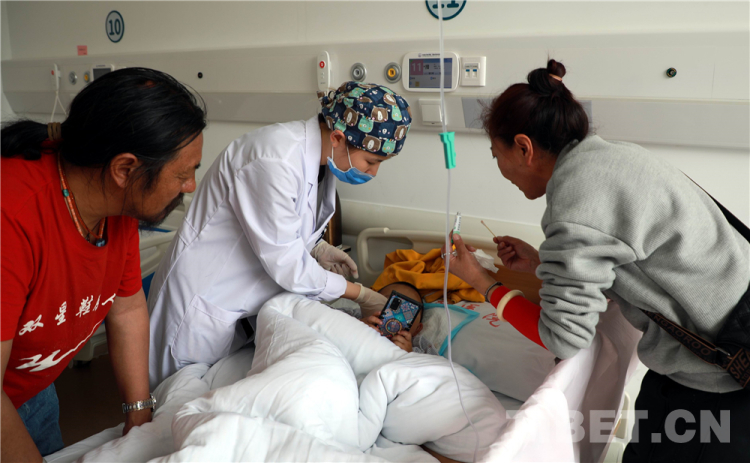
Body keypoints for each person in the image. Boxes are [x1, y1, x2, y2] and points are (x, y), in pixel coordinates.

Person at [445, 59, 750, 462]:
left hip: (722, 378)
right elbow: (621, 258)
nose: (501, 169)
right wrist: (540, 263)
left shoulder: (575, 201)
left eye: (495, 155)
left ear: (523, 147)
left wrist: (482, 282)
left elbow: (562, 338)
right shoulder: (609, 158)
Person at [148, 82, 413, 388]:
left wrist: (316, 248)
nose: (373, 173)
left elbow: (283, 226)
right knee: (176, 397)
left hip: (243, 311)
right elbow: (288, 266)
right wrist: (360, 294)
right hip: (202, 305)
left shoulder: (321, 162)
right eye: (372, 162)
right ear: (338, 138)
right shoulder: (273, 159)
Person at [1, 68, 206, 462]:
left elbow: (126, 308)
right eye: (182, 174)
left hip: (32, 389)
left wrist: (139, 415)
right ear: (124, 170)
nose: (190, 186)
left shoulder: (117, 207)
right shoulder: (11, 218)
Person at [360, 282, 438, 355]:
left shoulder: (421, 346)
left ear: (417, 329)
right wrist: (359, 325)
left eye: (408, 310)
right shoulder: (358, 316)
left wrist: (409, 355)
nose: (398, 315)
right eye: (391, 303)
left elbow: (437, 363)